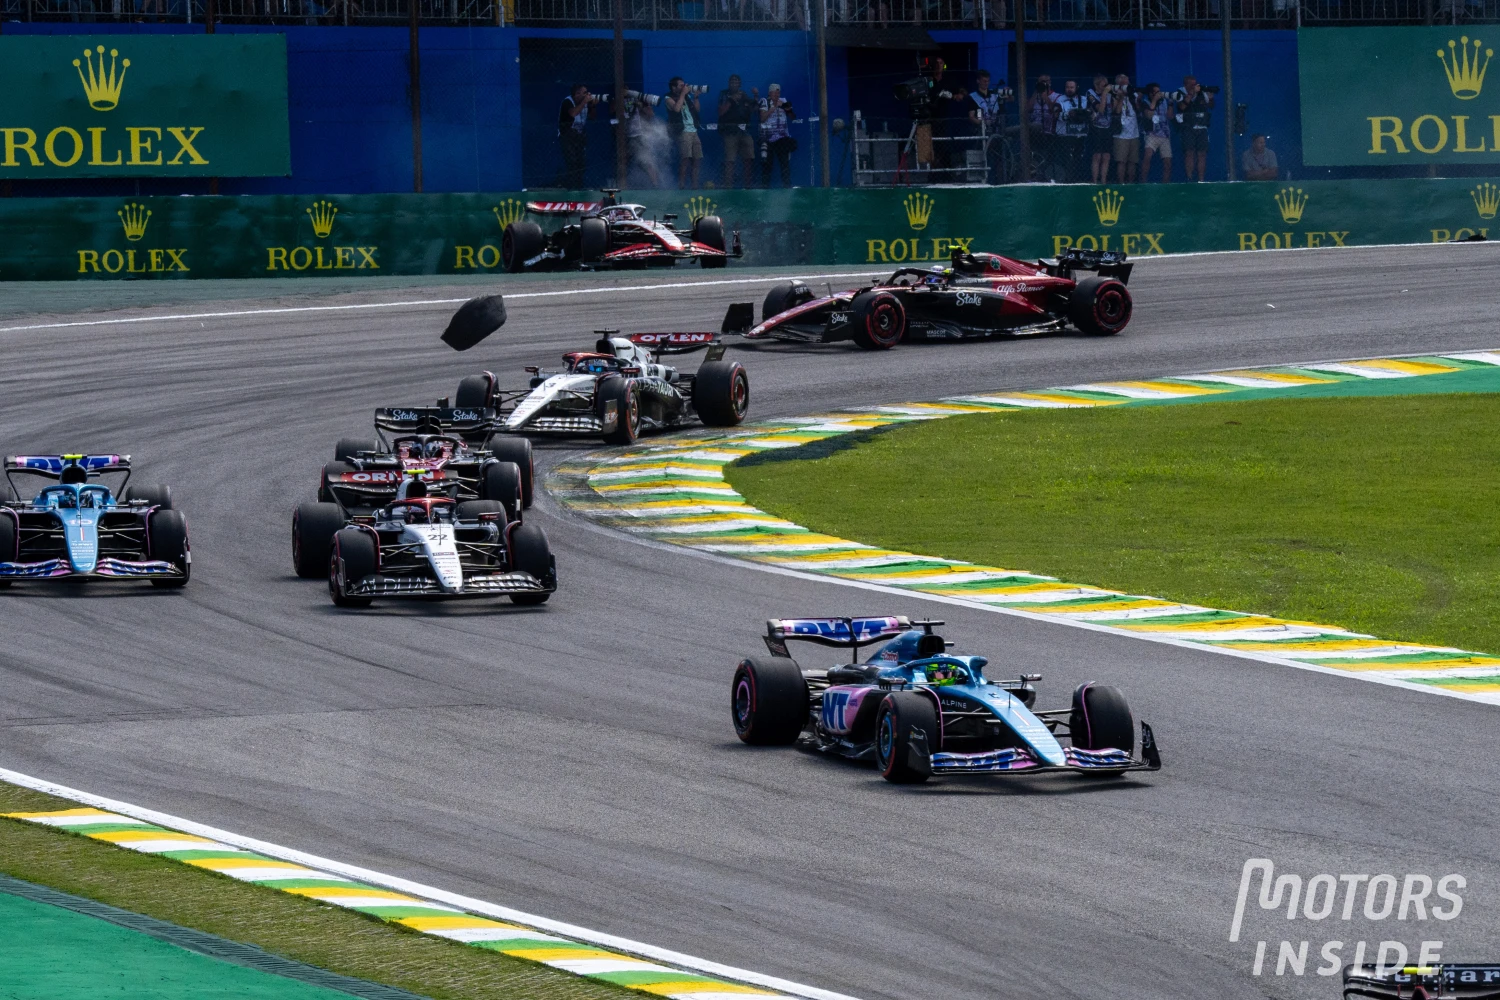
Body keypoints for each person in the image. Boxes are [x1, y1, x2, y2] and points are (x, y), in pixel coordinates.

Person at [718, 75, 758, 189]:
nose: (734, 83)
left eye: (736, 82)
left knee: (748, 158)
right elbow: (720, 112)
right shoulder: (724, 94)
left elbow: (754, 110)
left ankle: (748, 187)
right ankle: (728, 186)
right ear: (729, 83)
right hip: (730, 131)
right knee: (730, 160)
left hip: (744, 131)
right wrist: (731, 99)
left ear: (740, 84)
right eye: (732, 81)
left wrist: (756, 96)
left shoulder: (743, 94)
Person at [557, 83, 599, 189]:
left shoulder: (585, 103)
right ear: (577, 94)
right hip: (567, 135)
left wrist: (592, 105)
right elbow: (573, 113)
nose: (587, 95)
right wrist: (584, 102)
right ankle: (571, 187)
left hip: (579, 135)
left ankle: (579, 185)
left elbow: (593, 117)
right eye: (584, 93)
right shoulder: (568, 101)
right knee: (572, 162)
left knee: (581, 163)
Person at [665, 77, 703, 189]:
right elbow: (676, 109)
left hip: (693, 130)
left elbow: (697, 110)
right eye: (681, 85)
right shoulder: (668, 98)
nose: (684, 87)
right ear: (674, 87)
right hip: (683, 131)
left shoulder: (687, 97)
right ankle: (681, 186)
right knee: (685, 159)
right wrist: (683, 94)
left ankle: (694, 186)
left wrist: (696, 97)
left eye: (684, 85)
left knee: (696, 160)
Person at [967, 70, 1003, 183]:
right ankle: (985, 180)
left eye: (988, 81)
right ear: (978, 81)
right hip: (982, 132)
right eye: (984, 81)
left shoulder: (995, 95)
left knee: (999, 157)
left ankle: (999, 179)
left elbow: (1006, 105)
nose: (986, 83)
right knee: (985, 157)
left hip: (997, 131)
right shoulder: (973, 97)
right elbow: (971, 116)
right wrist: (982, 123)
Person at [1177, 75, 1214, 182]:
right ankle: (1189, 178)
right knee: (1189, 153)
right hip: (1188, 127)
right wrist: (1192, 92)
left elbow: (1211, 106)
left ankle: (1201, 180)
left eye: (1195, 84)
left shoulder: (1202, 92)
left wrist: (1210, 98)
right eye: (1192, 84)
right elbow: (1182, 107)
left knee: (1202, 154)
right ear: (1186, 84)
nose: (1194, 86)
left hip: (1202, 126)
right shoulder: (1180, 92)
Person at [621, 91, 660, 188]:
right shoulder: (616, 99)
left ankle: (655, 185)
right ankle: (623, 186)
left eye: (626, 89)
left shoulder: (636, 98)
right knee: (622, 163)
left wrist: (640, 105)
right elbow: (612, 110)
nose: (625, 91)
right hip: (622, 137)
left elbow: (651, 114)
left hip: (637, 135)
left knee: (646, 161)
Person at [759, 83, 795, 187]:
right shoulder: (764, 101)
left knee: (784, 164)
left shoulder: (783, 101)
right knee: (767, 164)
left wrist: (786, 107)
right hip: (768, 138)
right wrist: (773, 107)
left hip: (782, 138)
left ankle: (787, 187)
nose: (777, 94)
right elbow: (762, 118)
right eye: (774, 92)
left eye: (778, 92)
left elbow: (793, 117)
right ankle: (764, 188)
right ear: (769, 93)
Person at [1054, 79, 1088, 183]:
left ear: (1076, 88)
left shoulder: (1084, 100)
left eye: (1071, 87)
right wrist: (1068, 114)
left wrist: (1082, 114)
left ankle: (1078, 180)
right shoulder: (1060, 99)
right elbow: (1055, 114)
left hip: (1080, 134)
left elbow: (1089, 113)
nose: (1069, 89)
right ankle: (1067, 181)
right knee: (1066, 159)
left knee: (1078, 158)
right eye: (1067, 87)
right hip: (1065, 135)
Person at [1026, 75, 1060, 181]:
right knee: (1034, 155)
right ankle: (1034, 176)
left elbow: (1054, 110)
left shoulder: (1056, 96)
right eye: (1041, 81)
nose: (1043, 83)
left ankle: (1047, 177)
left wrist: (1045, 96)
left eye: (1045, 81)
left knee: (1047, 155)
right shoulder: (1034, 96)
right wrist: (1037, 91)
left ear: (1050, 82)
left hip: (1049, 132)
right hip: (1035, 131)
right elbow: (1028, 109)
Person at [1139, 83, 1173, 183]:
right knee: (1147, 157)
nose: (1159, 93)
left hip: (1165, 135)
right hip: (1151, 134)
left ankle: (1165, 184)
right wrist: (1154, 101)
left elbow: (1170, 116)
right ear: (1151, 94)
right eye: (1156, 92)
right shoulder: (1145, 102)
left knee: (1167, 162)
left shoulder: (1164, 102)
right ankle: (1143, 182)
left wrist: (1170, 103)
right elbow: (1149, 115)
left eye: (1159, 91)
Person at [1111, 73, 1140, 184]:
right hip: (1121, 134)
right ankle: (1121, 183)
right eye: (1124, 84)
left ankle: (1130, 183)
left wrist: (1137, 98)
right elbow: (1116, 111)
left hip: (1134, 133)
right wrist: (1120, 97)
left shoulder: (1133, 95)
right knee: (1121, 161)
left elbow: (1138, 110)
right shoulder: (1113, 95)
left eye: (1128, 83)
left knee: (1133, 161)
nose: (1127, 86)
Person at [1086, 74, 1113, 186]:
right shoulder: (1090, 93)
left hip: (1107, 128)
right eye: (1103, 85)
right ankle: (1095, 181)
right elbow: (1100, 110)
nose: (1105, 87)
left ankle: (1103, 181)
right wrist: (1105, 93)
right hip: (1095, 128)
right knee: (1097, 156)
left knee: (1106, 156)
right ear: (1096, 85)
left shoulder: (1110, 94)